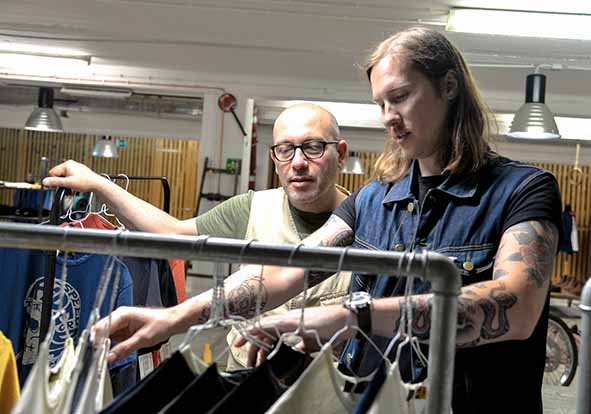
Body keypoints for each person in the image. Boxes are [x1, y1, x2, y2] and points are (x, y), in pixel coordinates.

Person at [86, 27, 561, 413]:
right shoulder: (373, 201)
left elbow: (515, 307)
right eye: (380, 104)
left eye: (400, 97)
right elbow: (286, 273)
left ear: (449, 87)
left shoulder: (522, 190)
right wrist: (174, 317)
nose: (388, 117)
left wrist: (352, 317)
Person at [42, 103, 352, 369]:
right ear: (274, 157)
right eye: (285, 149)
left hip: (330, 392)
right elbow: (172, 233)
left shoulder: (368, 222)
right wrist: (99, 185)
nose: (297, 162)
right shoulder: (253, 208)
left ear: (340, 154)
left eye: (313, 147)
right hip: (247, 383)